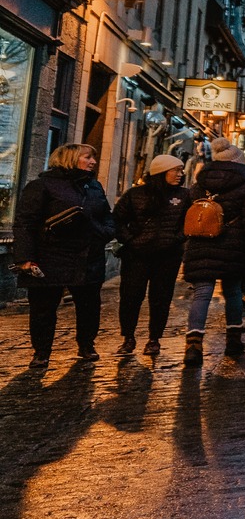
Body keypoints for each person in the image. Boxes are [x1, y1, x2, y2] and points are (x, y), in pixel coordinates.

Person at [13, 143, 116, 369]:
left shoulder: (94, 186)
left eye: (93, 158)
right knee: (43, 308)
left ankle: (86, 345)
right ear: (70, 158)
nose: (93, 162)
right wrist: (24, 257)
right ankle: (41, 352)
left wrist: (105, 232)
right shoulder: (42, 185)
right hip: (50, 256)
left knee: (89, 306)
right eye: (87, 157)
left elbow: (106, 216)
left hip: (88, 257)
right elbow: (25, 223)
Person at [181, 142, 245, 365]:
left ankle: (193, 345)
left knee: (202, 294)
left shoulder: (199, 184)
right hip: (234, 247)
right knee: (233, 292)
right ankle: (233, 342)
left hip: (200, 243)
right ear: (238, 162)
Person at [111, 154, 191, 359]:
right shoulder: (135, 194)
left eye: (181, 170)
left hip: (168, 256)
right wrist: (131, 241)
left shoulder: (184, 195)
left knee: (161, 298)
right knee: (130, 297)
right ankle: (128, 337)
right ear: (161, 172)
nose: (180, 174)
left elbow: (189, 223)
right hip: (136, 255)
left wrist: (175, 239)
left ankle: (154, 339)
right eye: (176, 170)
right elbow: (117, 220)